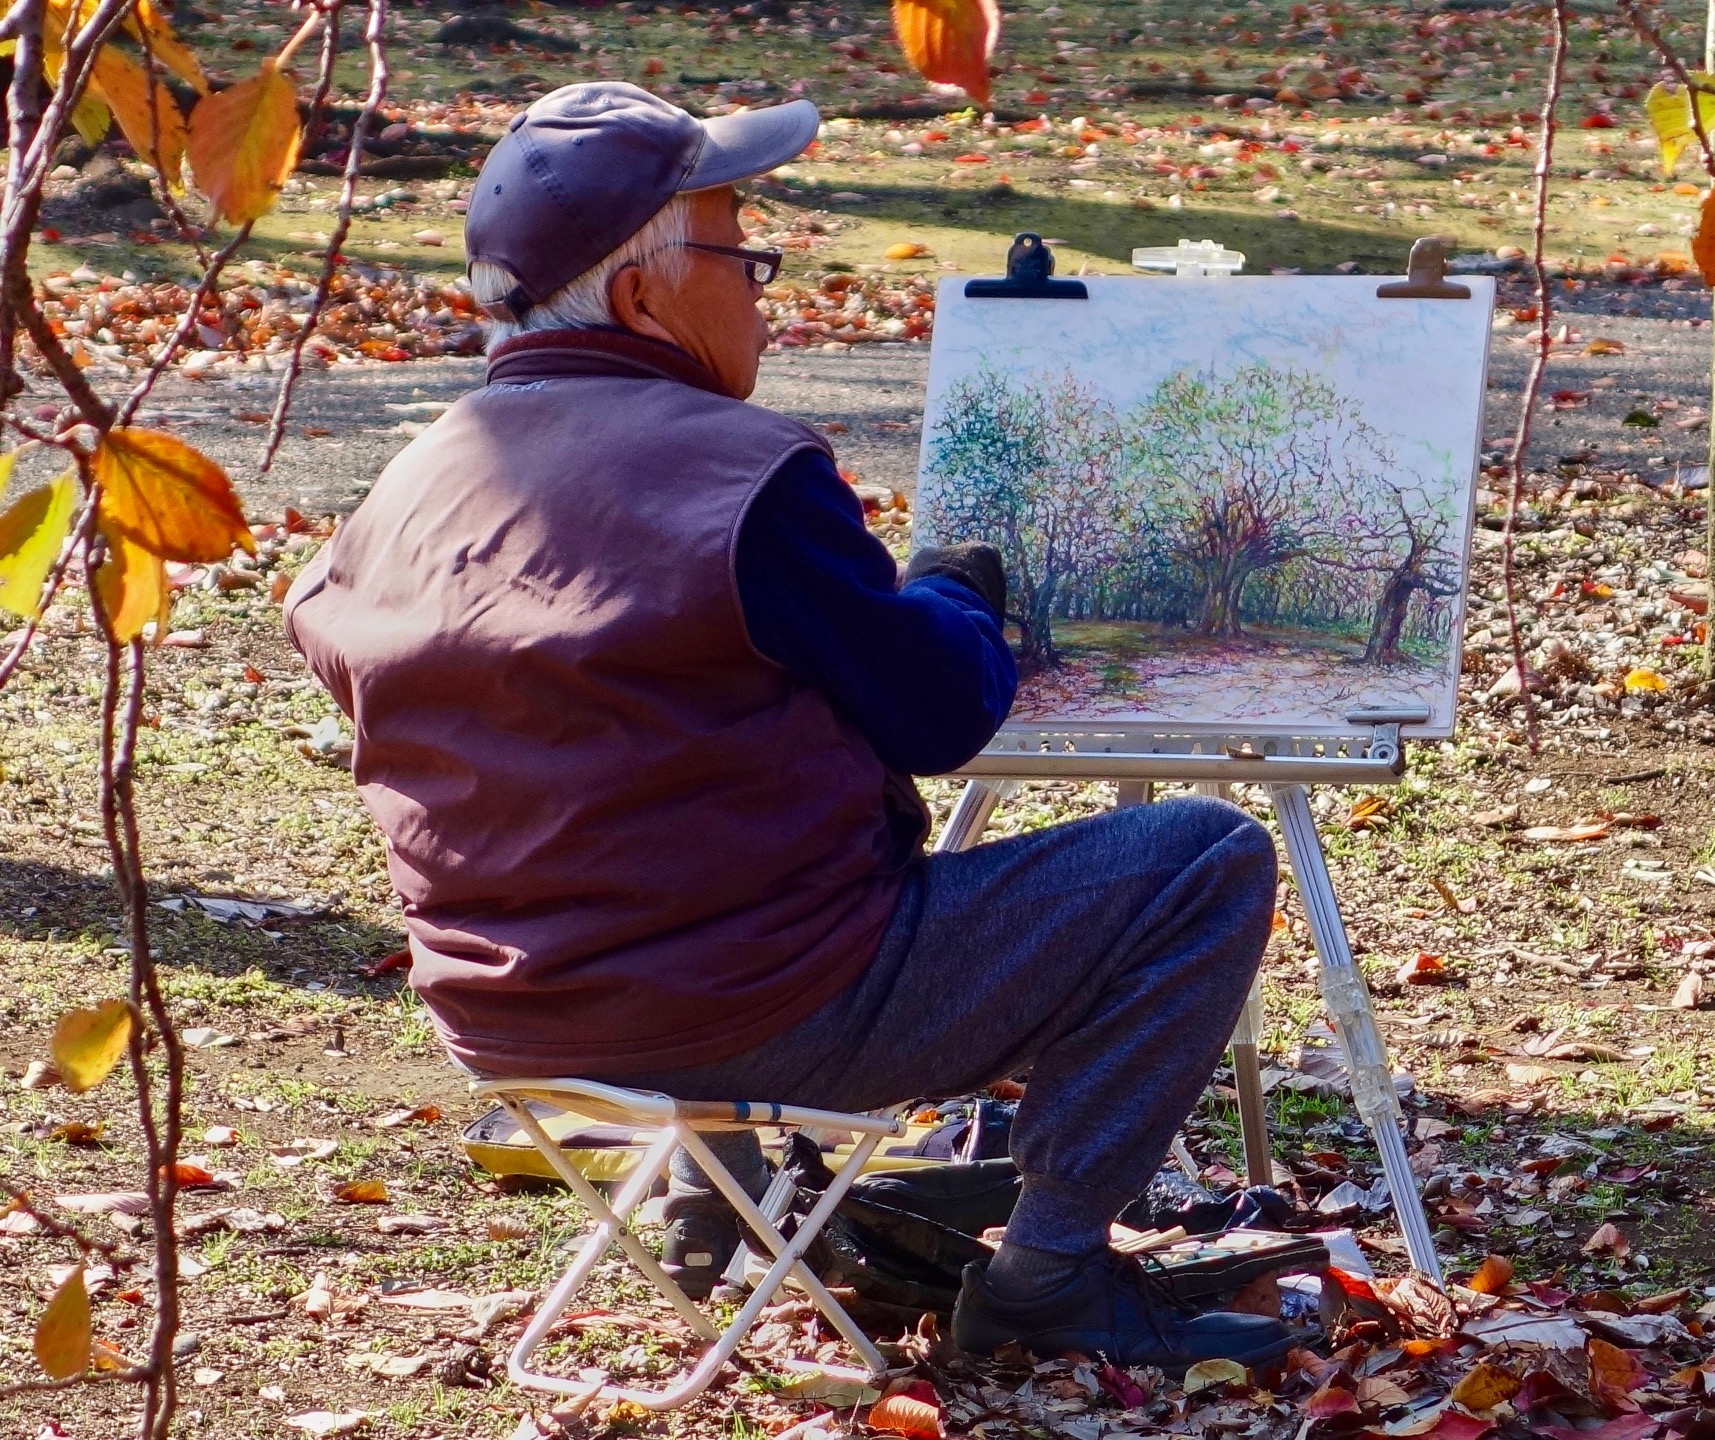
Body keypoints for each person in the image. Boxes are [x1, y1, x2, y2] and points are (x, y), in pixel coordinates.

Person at [284, 82, 1296, 1369]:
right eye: (741, 258)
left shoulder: (407, 485)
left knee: (692, 848)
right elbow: (939, 710)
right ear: (644, 295)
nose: (764, 294)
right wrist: (953, 593)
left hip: (512, 1020)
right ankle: (1047, 1278)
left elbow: (382, 654)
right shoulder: (738, 477)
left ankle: (713, 1193)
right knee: (1204, 856)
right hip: (770, 1005)